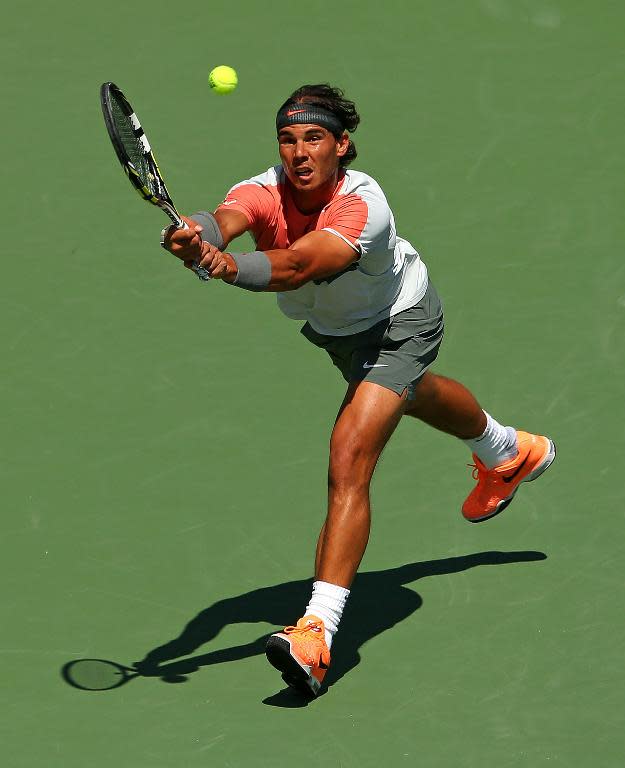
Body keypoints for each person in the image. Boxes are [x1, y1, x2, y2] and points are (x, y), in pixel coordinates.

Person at [161, 84, 556, 697]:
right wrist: (198, 233)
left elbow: (295, 266)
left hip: (402, 323)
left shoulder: (362, 207)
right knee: (413, 395)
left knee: (350, 455)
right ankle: (508, 451)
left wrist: (223, 265)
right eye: (288, 140)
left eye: (313, 138)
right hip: (335, 334)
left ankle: (317, 636)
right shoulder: (264, 188)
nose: (298, 153)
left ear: (342, 146)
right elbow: (228, 218)